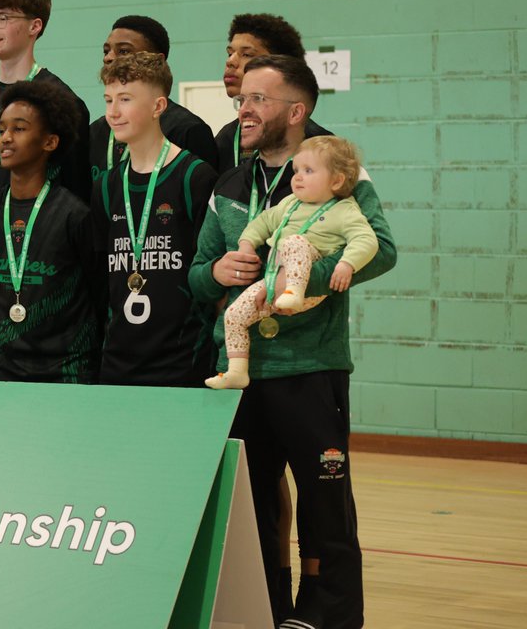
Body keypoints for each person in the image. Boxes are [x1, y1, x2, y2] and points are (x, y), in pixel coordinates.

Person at [188, 54, 396, 629]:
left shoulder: (335, 173)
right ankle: (264, 609)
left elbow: (382, 248)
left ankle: (324, 616)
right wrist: (217, 275)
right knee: (249, 507)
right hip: (242, 370)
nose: (243, 109)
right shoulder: (228, 182)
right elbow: (197, 271)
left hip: (309, 368)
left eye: (258, 99)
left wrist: (304, 276)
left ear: (296, 111)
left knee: (324, 503)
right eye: (241, 99)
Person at [212, 135, 378, 390]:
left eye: (308, 171)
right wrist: (246, 243)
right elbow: (263, 223)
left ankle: (294, 290)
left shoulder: (344, 210)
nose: (297, 177)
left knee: (293, 242)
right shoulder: (290, 204)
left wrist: (347, 264)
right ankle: (237, 371)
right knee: (234, 315)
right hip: (273, 285)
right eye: (296, 170)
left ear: (336, 180)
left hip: (308, 289)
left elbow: (368, 240)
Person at [92, 53, 217, 386]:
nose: (113, 112)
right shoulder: (106, 185)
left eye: (126, 99)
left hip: (182, 360)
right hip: (119, 360)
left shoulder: (194, 176)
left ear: (158, 106)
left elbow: (209, 271)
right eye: (108, 100)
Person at [0, 81, 100, 383]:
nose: (5, 138)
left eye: (19, 129)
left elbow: (98, 295)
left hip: (68, 370)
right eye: (2, 129)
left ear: (50, 142)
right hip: (8, 369)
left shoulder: (75, 215)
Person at [0, 0, 91, 205]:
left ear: (35, 25)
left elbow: (77, 191)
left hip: (41, 233)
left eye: (2, 18)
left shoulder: (63, 103)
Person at [88, 15, 219, 177]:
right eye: (106, 51)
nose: (108, 57)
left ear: (157, 60)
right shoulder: (95, 132)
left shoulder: (188, 130)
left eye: (123, 51)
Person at [215, 13, 330, 175]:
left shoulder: (322, 144)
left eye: (246, 54)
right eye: (230, 53)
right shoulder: (225, 139)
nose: (231, 61)